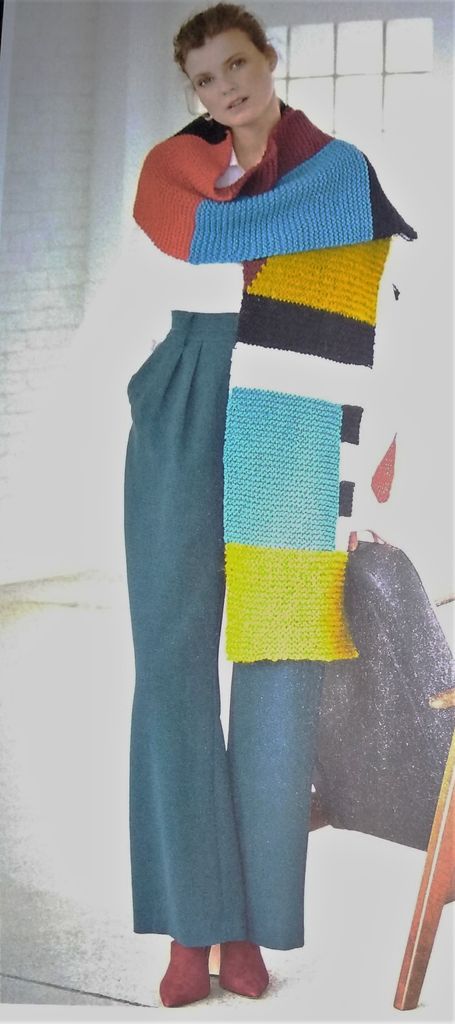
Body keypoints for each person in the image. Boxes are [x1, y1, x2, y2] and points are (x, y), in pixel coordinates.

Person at [124, 2, 416, 1009]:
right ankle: (189, 924)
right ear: (193, 91)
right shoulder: (173, 170)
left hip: (293, 405)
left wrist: (372, 454)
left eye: (236, 65)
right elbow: (174, 262)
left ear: (267, 59)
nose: (225, 88)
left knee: (278, 666)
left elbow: (384, 311)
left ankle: (247, 927)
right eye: (205, 78)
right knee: (169, 663)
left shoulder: (337, 171)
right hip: (190, 394)